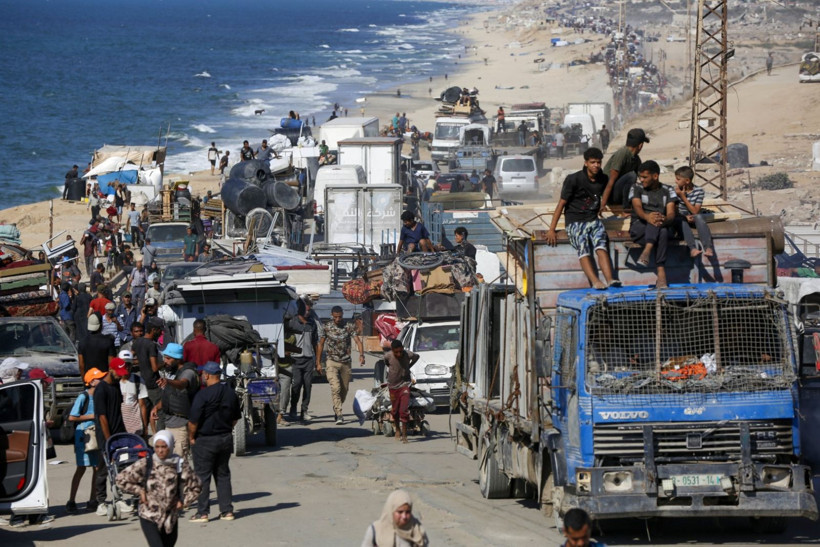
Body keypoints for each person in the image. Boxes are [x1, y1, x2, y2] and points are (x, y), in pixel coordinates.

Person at [546, 147, 620, 290]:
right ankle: (595, 281)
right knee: (583, 246)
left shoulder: (603, 179)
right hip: (575, 221)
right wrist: (551, 230)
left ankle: (610, 279)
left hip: (593, 219)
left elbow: (605, 195)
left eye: (598, 162)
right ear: (586, 163)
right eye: (592, 162)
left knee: (601, 246)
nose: (596, 165)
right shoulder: (574, 179)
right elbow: (561, 204)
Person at [116, 430, 201, 547]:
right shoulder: (147, 463)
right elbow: (121, 479)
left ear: (170, 446)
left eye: (164, 447)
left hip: (170, 518)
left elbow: (196, 486)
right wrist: (139, 491)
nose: (160, 450)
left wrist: (184, 501)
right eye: (157, 447)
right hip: (149, 515)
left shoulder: (179, 464)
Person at [188, 361, 241, 523]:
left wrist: (191, 437)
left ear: (208, 375)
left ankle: (202, 513)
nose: (202, 376)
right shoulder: (230, 393)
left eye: (203, 374)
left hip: (205, 439)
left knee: (202, 476)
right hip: (224, 438)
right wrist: (225, 429)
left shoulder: (202, 395)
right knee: (223, 474)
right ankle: (227, 511)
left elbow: (193, 421)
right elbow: (235, 418)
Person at [629, 160, 677, 288]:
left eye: (645, 177)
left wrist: (664, 219)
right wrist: (647, 217)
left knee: (662, 228)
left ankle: (648, 250)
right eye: (640, 176)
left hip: (661, 227)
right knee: (655, 222)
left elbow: (671, 213)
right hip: (640, 228)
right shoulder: (636, 187)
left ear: (655, 176)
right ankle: (661, 273)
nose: (641, 179)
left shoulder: (668, 190)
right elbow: (637, 207)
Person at [66, 368, 107, 514]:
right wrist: (91, 416)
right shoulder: (83, 397)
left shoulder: (100, 395)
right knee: (81, 468)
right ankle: (71, 500)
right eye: (99, 378)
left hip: (96, 435)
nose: (102, 380)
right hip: (84, 436)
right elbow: (72, 417)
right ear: (91, 382)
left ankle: (92, 499)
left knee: (97, 468)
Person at [92, 358, 128, 515]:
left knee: (119, 467)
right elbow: (102, 417)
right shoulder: (101, 390)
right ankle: (100, 502)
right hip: (106, 436)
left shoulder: (116, 386)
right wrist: (109, 440)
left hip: (119, 432)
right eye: (118, 373)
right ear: (110, 370)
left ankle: (119, 498)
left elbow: (118, 411)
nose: (121, 376)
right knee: (103, 468)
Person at [317, 306, 364, 425]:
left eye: (340, 316)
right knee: (335, 388)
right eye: (335, 317)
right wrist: (318, 362)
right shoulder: (326, 327)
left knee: (344, 389)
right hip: (331, 361)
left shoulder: (348, 326)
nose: (338, 319)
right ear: (332, 315)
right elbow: (321, 344)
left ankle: (337, 406)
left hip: (345, 362)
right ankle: (339, 414)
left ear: (342, 315)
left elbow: (357, 341)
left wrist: (361, 355)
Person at [152, 344, 199, 462]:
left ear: (178, 359)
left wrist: (168, 381)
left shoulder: (188, 372)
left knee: (180, 464)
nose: (165, 361)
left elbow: (182, 384)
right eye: (164, 358)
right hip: (169, 424)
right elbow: (171, 395)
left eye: (168, 358)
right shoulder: (173, 372)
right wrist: (156, 407)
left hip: (181, 426)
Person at [599, 128, 650, 211]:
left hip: (620, 193)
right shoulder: (622, 154)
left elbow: (642, 178)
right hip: (611, 195)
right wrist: (603, 204)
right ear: (640, 145)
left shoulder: (635, 159)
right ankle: (626, 208)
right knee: (631, 176)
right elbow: (611, 181)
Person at [289, 297, 322, 423]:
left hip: (308, 359)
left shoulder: (312, 323)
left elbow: (315, 343)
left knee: (308, 386)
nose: (308, 312)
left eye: (309, 310)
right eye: (306, 310)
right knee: (296, 385)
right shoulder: (292, 322)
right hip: (295, 360)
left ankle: (304, 411)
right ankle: (293, 408)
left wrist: (317, 361)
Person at [671, 165, 714, 259]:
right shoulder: (673, 190)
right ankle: (692, 248)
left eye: (678, 179)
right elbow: (673, 210)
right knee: (681, 220)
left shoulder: (699, 191)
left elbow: (695, 211)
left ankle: (708, 248)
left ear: (687, 181)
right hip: (680, 217)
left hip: (693, 216)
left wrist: (683, 197)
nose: (675, 181)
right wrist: (684, 217)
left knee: (699, 217)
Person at [361, 489, 429, 547]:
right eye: (400, 512)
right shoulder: (375, 530)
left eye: (408, 512)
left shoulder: (417, 530)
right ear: (391, 511)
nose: (404, 516)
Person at [383, 340, 419, 443]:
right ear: (393, 351)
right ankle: (397, 429)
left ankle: (404, 435)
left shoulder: (408, 354)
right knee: (395, 410)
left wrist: (409, 366)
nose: (399, 354)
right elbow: (386, 362)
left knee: (403, 410)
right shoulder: (388, 356)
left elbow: (416, 357)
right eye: (396, 352)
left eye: (400, 351)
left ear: (403, 348)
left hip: (404, 384)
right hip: (393, 386)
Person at [118, 350, 150, 436]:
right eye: (124, 364)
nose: (127, 367)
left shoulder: (138, 381)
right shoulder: (115, 382)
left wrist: (145, 427)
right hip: (119, 427)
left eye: (128, 364)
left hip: (136, 428)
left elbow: (142, 405)